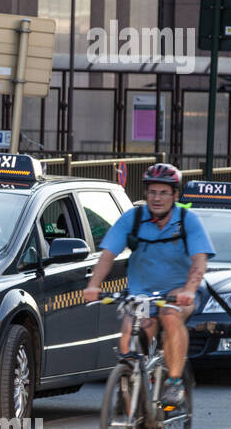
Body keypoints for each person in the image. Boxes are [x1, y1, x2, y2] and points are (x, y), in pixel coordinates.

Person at [81, 164, 215, 408]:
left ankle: (174, 383)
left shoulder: (188, 221)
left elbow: (199, 261)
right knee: (130, 335)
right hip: (141, 293)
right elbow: (107, 256)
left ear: (175, 195)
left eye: (164, 193)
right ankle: (129, 384)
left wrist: (188, 290)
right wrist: (94, 285)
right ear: (146, 194)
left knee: (170, 316)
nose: (157, 198)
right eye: (153, 192)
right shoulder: (132, 219)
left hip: (178, 291)